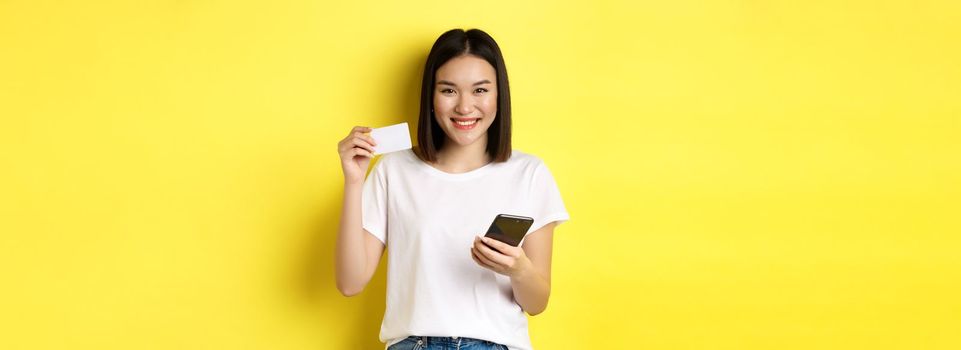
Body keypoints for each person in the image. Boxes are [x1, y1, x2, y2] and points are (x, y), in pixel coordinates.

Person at [335, 28, 569, 350]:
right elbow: (350, 282)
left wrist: (518, 268)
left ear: (499, 95)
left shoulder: (529, 173)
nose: (464, 107)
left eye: (480, 90)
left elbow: (536, 302)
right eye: (449, 91)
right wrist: (353, 181)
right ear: (431, 97)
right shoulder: (394, 170)